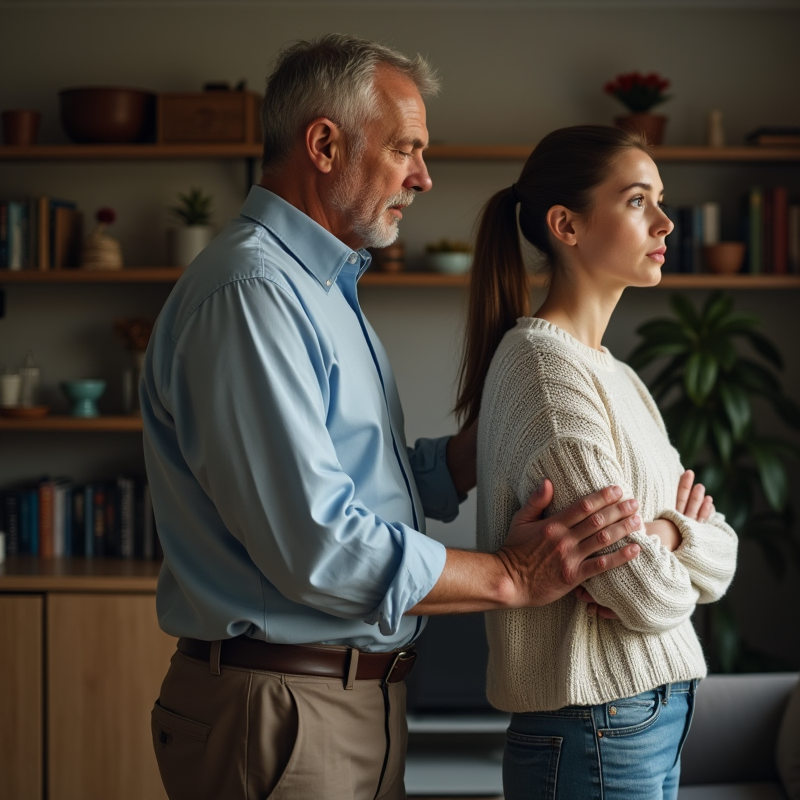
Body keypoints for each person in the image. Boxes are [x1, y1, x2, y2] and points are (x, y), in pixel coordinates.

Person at [141, 36, 644, 800]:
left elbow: (366, 485)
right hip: (282, 709)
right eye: (405, 148)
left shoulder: (323, 291)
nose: (423, 176)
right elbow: (316, 542)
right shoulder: (251, 296)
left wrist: (478, 453)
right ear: (323, 143)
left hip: (348, 702)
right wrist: (510, 576)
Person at [459, 125, 740, 800]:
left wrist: (665, 535)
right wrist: (674, 542)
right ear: (567, 225)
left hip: (644, 716)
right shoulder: (547, 375)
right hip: (599, 724)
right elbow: (645, 595)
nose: (666, 221)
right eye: (638, 200)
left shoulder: (615, 376)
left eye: (660, 200)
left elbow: (722, 550)